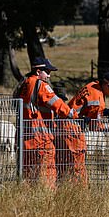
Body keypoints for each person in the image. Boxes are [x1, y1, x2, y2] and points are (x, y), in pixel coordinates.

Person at [13, 57, 73, 189]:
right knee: (47, 168)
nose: (49, 75)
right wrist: (72, 114)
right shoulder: (41, 85)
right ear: (38, 71)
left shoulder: (23, 83)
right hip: (40, 136)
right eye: (47, 72)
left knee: (27, 170)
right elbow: (57, 104)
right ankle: (47, 196)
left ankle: (26, 195)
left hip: (23, 135)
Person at [52, 87, 87, 185]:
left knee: (66, 167)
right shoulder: (60, 114)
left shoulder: (65, 113)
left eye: (62, 100)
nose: (61, 102)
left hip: (64, 145)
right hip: (62, 145)